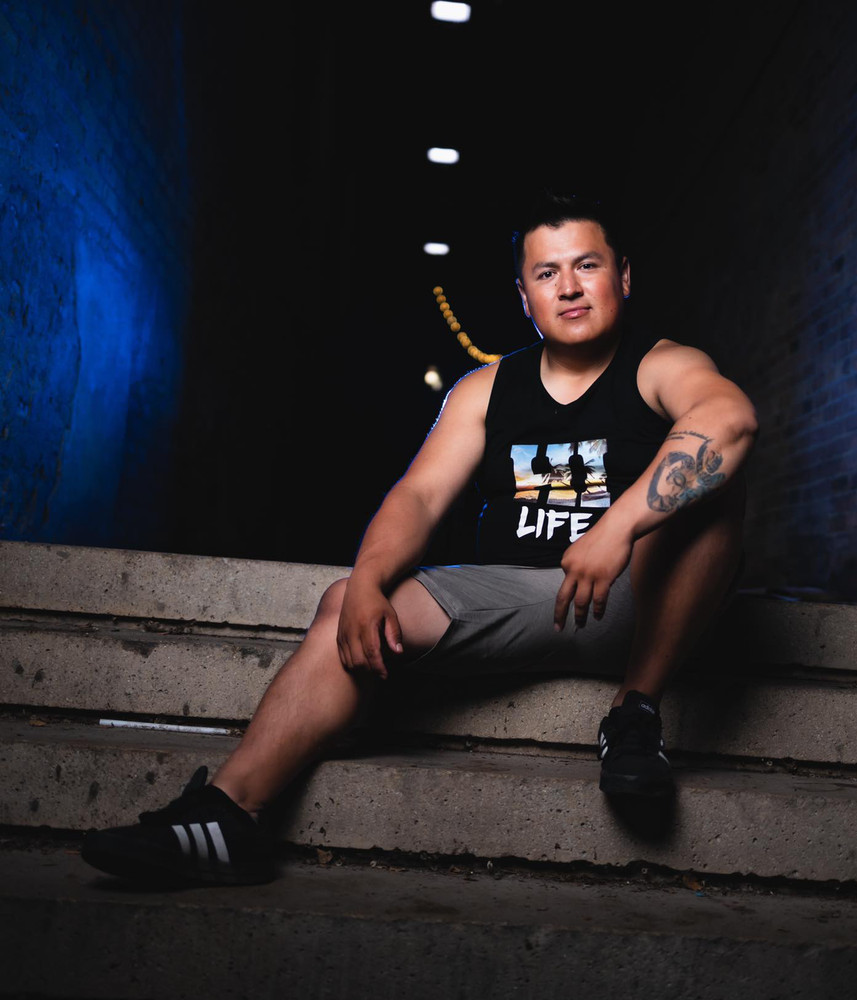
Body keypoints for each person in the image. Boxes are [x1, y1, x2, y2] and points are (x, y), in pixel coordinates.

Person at [81, 192, 758, 886]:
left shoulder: (660, 364)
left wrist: (619, 526)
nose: (569, 287)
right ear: (525, 297)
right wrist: (369, 580)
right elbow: (419, 496)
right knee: (346, 600)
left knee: (715, 481)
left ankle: (635, 713)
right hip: (518, 601)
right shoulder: (485, 389)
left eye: (587, 265)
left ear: (623, 276)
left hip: (641, 603)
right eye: (547, 273)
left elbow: (730, 420)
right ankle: (229, 816)